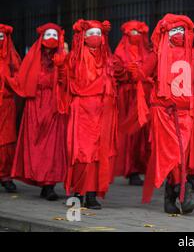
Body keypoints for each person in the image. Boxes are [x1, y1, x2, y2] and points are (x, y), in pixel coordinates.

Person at [142, 14, 194, 215]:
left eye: (182, 30)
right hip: (164, 113)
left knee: (180, 155)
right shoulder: (157, 55)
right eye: (174, 31)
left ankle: (171, 196)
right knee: (175, 155)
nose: (179, 35)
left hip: (185, 113)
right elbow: (142, 75)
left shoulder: (192, 55)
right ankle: (184, 194)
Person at [8, 23, 68, 201]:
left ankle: (49, 185)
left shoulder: (62, 57)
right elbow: (22, 79)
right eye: (48, 34)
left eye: (54, 35)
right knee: (36, 145)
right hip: (35, 104)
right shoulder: (32, 57)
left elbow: (68, 80)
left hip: (53, 104)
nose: (51, 38)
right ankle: (41, 180)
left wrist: (62, 67)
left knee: (52, 146)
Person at [65, 19, 118, 210]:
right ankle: (78, 192)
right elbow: (66, 80)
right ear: (83, 37)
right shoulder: (75, 57)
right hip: (83, 110)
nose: (95, 37)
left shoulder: (107, 58)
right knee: (83, 153)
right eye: (91, 34)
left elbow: (117, 76)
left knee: (98, 154)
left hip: (102, 112)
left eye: (98, 34)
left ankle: (92, 194)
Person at [112, 20, 156, 186]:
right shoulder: (120, 52)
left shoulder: (148, 51)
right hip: (128, 97)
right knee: (131, 133)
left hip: (145, 96)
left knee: (145, 133)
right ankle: (132, 170)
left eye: (139, 32)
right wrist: (126, 72)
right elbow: (115, 71)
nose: (136, 36)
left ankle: (145, 166)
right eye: (133, 32)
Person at [0, 24, 21, 193]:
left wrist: (9, 81)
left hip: (6, 105)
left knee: (6, 140)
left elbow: (20, 78)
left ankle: (5, 175)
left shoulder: (12, 58)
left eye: (2, 37)